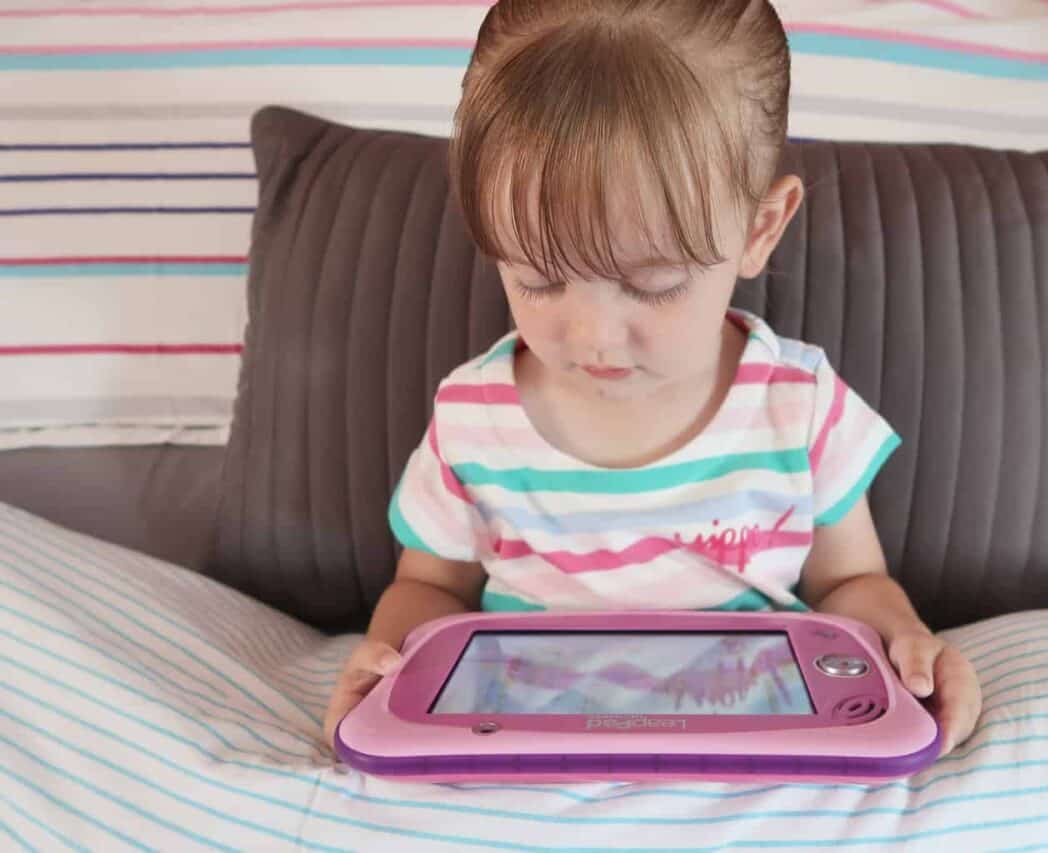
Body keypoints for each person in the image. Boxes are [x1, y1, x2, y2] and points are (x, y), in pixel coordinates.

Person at [324, 0, 981, 757]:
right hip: (526, 749)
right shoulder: (473, 414)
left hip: (749, 748)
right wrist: (386, 664)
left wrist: (905, 642)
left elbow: (849, 584)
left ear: (760, 229)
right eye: (538, 279)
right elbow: (431, 587)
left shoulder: (797, 406)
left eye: (653, 283)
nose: (595, 334)